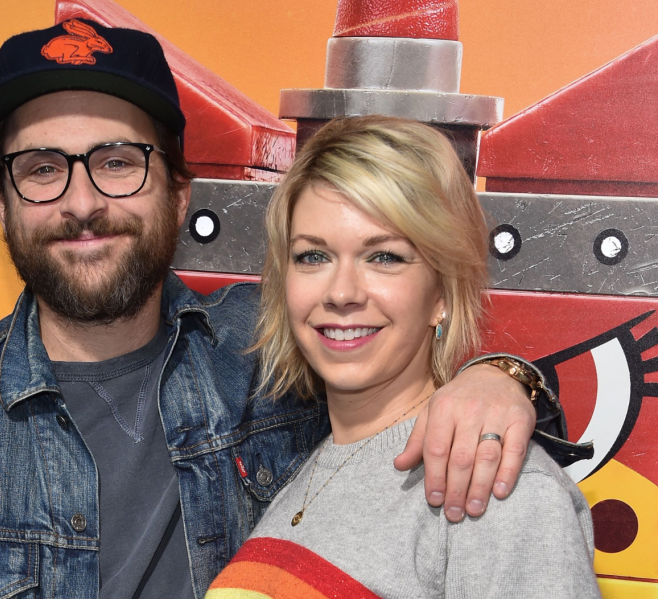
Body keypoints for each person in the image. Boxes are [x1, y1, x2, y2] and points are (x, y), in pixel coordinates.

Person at [0, 20, 571, 599]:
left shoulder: (260, 348)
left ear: (176, 192)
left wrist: (501, 379)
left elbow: (401, 356)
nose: (81, 203)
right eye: (41, 169)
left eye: (116, 161)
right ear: (2, 204)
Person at [206, 116, 600, 598]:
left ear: (443, 293)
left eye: (384, 257)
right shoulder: (303, 464)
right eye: (313, 256)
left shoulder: (497, 487)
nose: (342, 292)